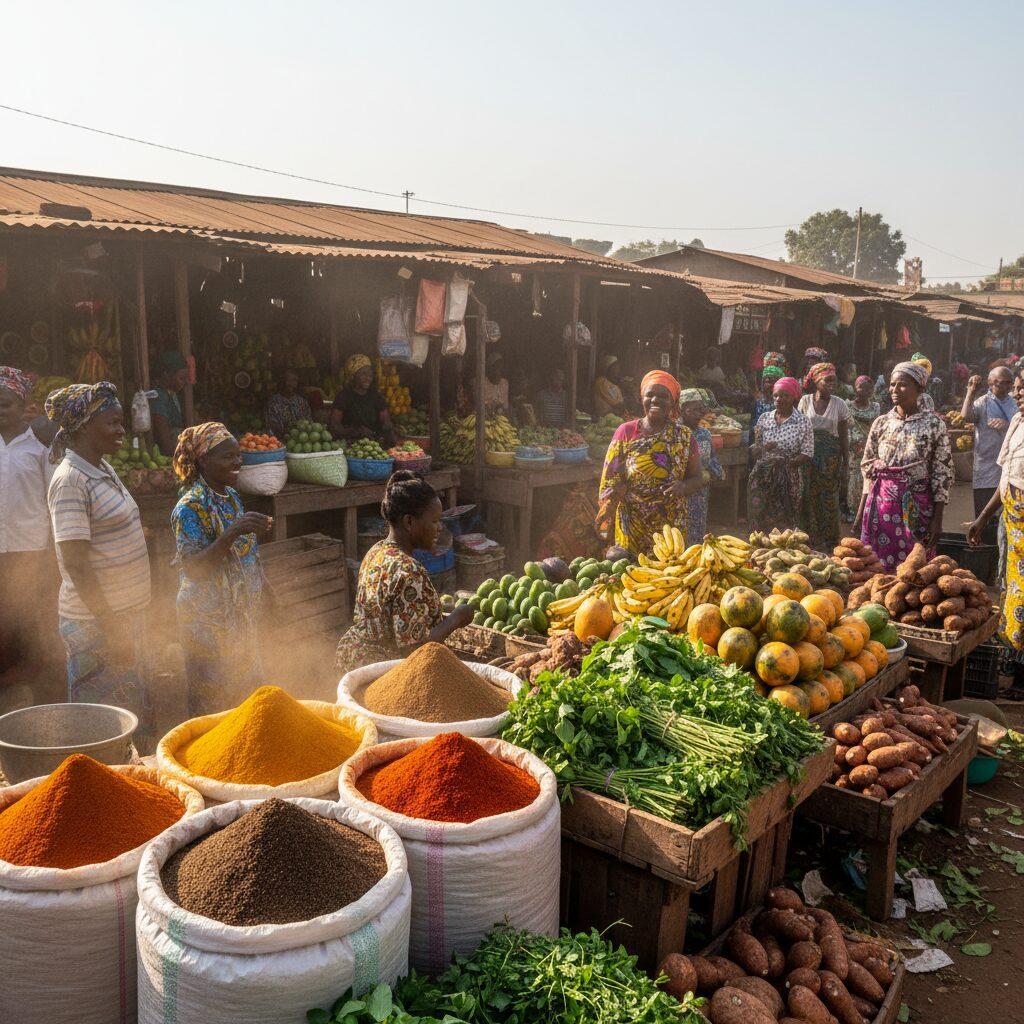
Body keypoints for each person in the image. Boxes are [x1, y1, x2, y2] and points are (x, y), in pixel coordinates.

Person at [44, 382, 154, 747]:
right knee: (101, 726)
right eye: (113, 422)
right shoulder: (71, 480)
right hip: (96, 623)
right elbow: (75, 563)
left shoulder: (100, 466)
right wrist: (111, 626)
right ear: (84, 427)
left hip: (122, 615)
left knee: (125, 717)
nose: (122, 430)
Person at [171, 423, 273, 717]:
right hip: (206, 623)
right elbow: (194, 570)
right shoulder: (190, 508)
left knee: (246, 700)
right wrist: (232, 532)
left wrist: (266, 589)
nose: (237, 462)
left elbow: (247, 556)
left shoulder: (231, 496)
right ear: (203, 460)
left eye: (238, 455)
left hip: (240, 618)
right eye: (228, 457)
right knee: (213, 706)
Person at [335, 471, 474, 672]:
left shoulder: (376, 552)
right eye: (434, 521)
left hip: (353, 658)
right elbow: (415, 650)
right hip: (381, 670)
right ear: (409, 522)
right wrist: (456, 619)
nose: (440, 528)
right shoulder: (411, 571)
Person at [855, 362, 954, 570]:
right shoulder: (881, 423)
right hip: (880, 510)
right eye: (892, 384)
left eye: (903, 385)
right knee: (876, 566)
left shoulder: (934, 425)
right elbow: (868, 467)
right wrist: (861, 510)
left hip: (917, 508)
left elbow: (942, 472)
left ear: (920, 388)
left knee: (914, 566)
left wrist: (938, 519)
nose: (894, 390)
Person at [596, 371, 703, 556]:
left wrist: (683, 487)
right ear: (642, 398)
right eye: (650, 394)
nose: (655, 400)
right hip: (631, 525)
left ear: (673, 402)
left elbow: (697, 478)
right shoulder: (625, 432)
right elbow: (609, 479)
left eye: (663, 396)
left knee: (667, 578)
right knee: (627, 576)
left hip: (670, 528)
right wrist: (615, 489)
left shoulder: (684, 436)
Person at [0, 367, 54, 675]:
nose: (0, 411)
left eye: (6, 404)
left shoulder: (38, 448)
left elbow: (49, 497)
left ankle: (33, 678)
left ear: (22, 406)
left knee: (30, 613)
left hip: (30, 548)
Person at [970, 369, 1024, 677]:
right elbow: (1006, 478)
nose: (1018, 394)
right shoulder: (1017, 422)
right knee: (1008, 584)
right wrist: (983, 518)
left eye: (1023, 388)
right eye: (1017, 388)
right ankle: (1011, 655)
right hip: (1011, 522)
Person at [748, 377, 814, 532]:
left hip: (788, 476)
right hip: (763, 474)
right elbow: (755, 449)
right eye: (776, 395)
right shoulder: (765, 418)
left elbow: (807, 453)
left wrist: (784, 466)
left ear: (794, 397)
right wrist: (761, 449)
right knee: (759, 514)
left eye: (784, 395)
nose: (779, 399)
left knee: (785, 519)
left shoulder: (802, 422)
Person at [798, 362, 850, 549]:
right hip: (808, 457)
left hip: (830, 459)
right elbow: (800, 431)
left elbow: (844, 438)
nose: (832, 384)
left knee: (829, 498)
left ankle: (830, 540)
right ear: (816, 381)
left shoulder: (840, 404)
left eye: (834, 381)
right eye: (827, 380)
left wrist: (845, 466)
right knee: (809, 497)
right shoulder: (804, 401)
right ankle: (811, 538)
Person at [961, 366, 1015, 547]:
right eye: (1002, 383)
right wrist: (970, 392)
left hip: (1009, 469)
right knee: (985, 519)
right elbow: (966, 416)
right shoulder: (983, 402)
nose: (1007, 386)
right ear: (991, 383)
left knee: (1009, 517)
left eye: (1009, 382)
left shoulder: (1015, 402)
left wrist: (1007, 425)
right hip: (986, 468)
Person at [679, 388, 722, 543]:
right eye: (693, 410)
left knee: (697, 532)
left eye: (701, 409)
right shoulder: (674, 433)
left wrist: (714, 473)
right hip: (680, 492)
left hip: (700, 494)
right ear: (681, 410)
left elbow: (712, 460)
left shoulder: (705, 434)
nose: (699, 414)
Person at [329, 354, 396, 446]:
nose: (368, 377)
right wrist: (356, 431)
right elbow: (334, 427)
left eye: (370, 374)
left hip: (372, 445)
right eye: (363, 374)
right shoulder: (344, 397)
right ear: (353, 375)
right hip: (350, 445)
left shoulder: (376, 396)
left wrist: (388, 428)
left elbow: (385, 419)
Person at [846, 375, 881, 519]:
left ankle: (867, 509)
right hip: (852, 448)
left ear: (871, 390)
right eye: (860, 387)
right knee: (852, 478)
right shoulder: (847, 405)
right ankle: (851, 510)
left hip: (870, 447)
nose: (863, 391)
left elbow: (876, 426)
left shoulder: (875, 407)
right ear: (855, 388)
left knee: (868, 477)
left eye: (867, 388)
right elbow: (845, 425)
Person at [149, 351, 190, 459]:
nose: (186, 383)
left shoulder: (172, 394)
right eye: (181, 378)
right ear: (166, 375)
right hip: (170, 456)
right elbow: (166, 446)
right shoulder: (158, 397)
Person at [264, 368, 312, 441]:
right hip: (279, 442)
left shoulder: (302, 402)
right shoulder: (273, 403)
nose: (291, 384)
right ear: (283, 382)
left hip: (301, 442)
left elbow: (309, 421)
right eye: (288, 380)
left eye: (294, 380)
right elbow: (271, 426)